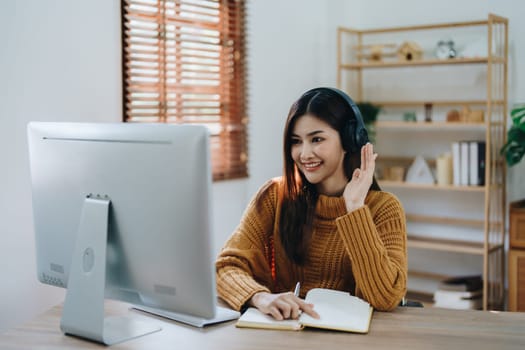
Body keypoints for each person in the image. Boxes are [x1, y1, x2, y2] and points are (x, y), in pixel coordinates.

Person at [216, 87, 407, 320]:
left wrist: (355, 209)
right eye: (296, 142)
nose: (304, 154)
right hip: (285, 332)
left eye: (317, 139)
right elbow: (226, 267)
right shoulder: (275, 196)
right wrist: (260, 296)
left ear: (349, 140)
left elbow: (385, 298)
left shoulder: (384, 208)